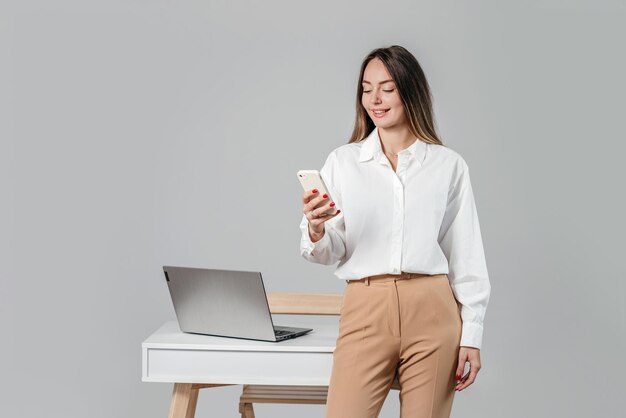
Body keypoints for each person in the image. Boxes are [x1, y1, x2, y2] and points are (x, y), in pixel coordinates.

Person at [299, 45, 492, 418]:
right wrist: (316, 228)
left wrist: (472, 334)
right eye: (367, 88)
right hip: (365, 308)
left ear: (410, 90)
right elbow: (328, 251)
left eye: (387, 88)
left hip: (433, 310)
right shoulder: (342, 162)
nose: (375, 98)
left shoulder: (447, 165)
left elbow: (465, 254)